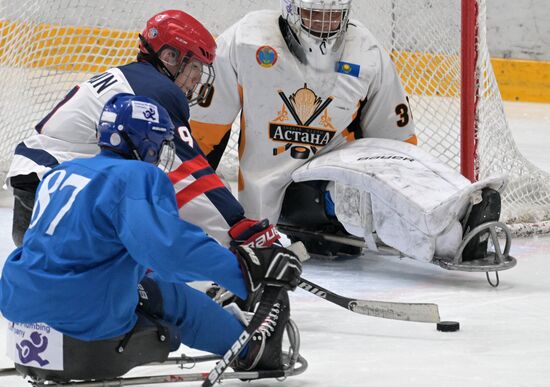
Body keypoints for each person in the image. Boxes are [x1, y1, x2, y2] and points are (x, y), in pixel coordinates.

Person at [189, 0, 512, 271]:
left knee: (363, 192)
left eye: (332, 16)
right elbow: (205, 135)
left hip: (336, 172)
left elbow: (395, 149)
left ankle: (461, 214)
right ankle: (453, 239)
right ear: (290, 8)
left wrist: (407, 193)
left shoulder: (366, 53)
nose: (323, 26)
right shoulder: (247, 41)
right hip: (276, 192)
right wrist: (187, 208)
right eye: (314, 14)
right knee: (352, 198)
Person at [0, 94, 302, 376]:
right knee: (169, 295)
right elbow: (170, 251)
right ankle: (251, 349)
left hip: (19, 306)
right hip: (82, 318)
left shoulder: (61, 171)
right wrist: (247, 274)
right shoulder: (136, 175)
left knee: (143, 280)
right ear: (146, 142)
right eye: (160, 142)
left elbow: (86, 247)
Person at [7, 9, 279, 251]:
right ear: (170, 56)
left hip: (41, 188)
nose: (197, 78)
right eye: (194, 65)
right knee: (147, 265)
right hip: (58, 194)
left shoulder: (132, 78)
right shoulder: (155, 90)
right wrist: (238, 227)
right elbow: (190, 171)